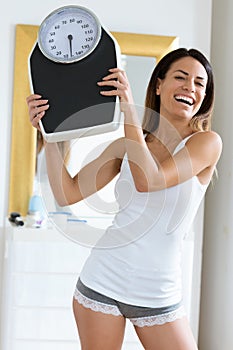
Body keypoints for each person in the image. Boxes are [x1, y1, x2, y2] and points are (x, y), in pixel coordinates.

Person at [27, 48, 222, 350]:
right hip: (103, 281)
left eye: (199, 83)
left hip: (159, 294)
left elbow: (150, 180)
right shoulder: (126, 145)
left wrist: (129, 110)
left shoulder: (206, 144)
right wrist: (49, 134)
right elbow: (67, 193)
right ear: (158, 85)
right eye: (181, 78)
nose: (190, 88)